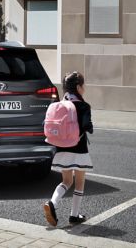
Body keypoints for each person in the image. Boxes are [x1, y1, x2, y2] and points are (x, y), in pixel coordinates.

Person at [43, 71, 93, 227]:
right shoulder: (83, 106)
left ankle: (52, 202)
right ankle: (74, 215)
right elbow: (87, 127)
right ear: (78, 87)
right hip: (78, 149)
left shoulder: (58, 105)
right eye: (83, 85)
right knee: (79, 183)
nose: (84, 88)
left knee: (66, 181)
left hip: (61, 148)